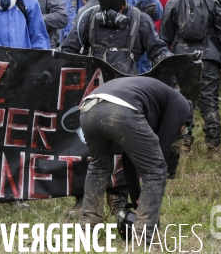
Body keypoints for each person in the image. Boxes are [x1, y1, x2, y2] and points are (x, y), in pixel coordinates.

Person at [79, 76, 193, 243]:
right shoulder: (182, 106)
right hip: (120, 108)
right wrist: (142, 200)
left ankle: (87, 228)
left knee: (99, 167)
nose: (180, 134)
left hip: (89, 107)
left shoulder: (156, 102)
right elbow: (157, 158)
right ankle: (143, 236)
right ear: (187, 121)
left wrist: (136, 196)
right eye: (184, 131)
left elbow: (129, 158)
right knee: (156, 170)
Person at [160, 0, 221, 160]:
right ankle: (213, 148)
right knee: (209, 103)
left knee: (184, 102)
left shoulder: (173, 2)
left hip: (182, 58)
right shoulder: (211, 0)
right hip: (209, 58)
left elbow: (165, 36)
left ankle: (184, 144)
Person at [61, 0, 171, 75]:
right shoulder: (89, 17)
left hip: (127, 88)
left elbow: (159, 52)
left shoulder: (140, 20)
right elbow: (67, 51)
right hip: (95, 89)